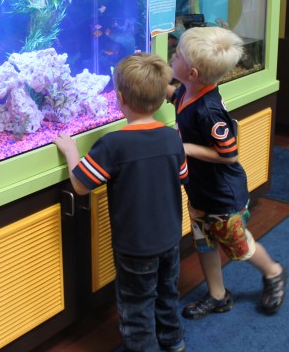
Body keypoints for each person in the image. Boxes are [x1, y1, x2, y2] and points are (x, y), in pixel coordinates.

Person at [54, 53, 189, 352]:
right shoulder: (172, 137)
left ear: (119, 98)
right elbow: (182, 176)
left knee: (136, 305)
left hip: (135, 247)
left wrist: (70, 151)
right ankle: (174, 340)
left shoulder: (113, 144)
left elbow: (80, 185)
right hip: (169, 238)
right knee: (167, 293)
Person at [167, 26, 287, 319]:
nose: (172, 54)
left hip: (223, 196)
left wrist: (185, 148)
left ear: (192, 73)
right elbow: (174, 96)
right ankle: (218, 295)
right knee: (204, 241)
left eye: (177, 54)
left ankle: (274, 271)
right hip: (199, 189)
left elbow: (229, 154)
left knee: (238, 245)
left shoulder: (208, 111)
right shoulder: (188, 91)